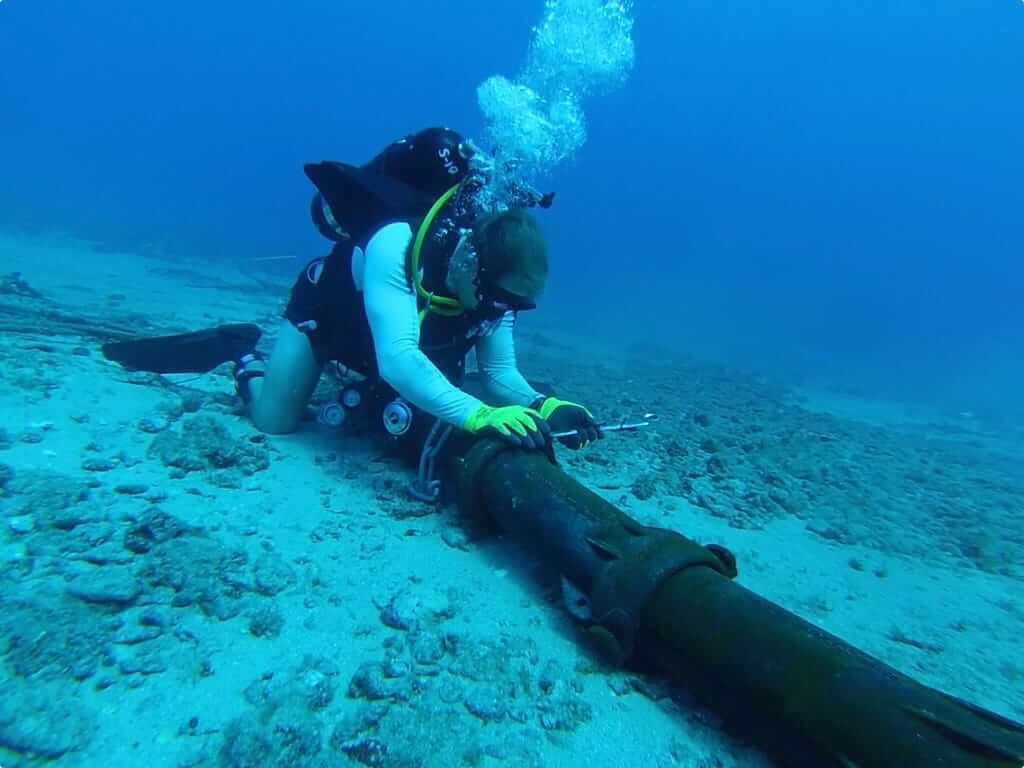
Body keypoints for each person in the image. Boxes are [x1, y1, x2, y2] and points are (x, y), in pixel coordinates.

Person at [105, 127, 601, 453]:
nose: (503, 313)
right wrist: (478, 416)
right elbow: (401, 359)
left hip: (390, 341)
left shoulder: (494, 293)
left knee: (399, 399)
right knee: (274, 422)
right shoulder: (397, 242)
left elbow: (500, 373)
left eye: (517, 306)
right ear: (471, 263)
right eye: (502, 300)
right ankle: (242, 354)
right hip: (332, 317)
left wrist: (545, 406)